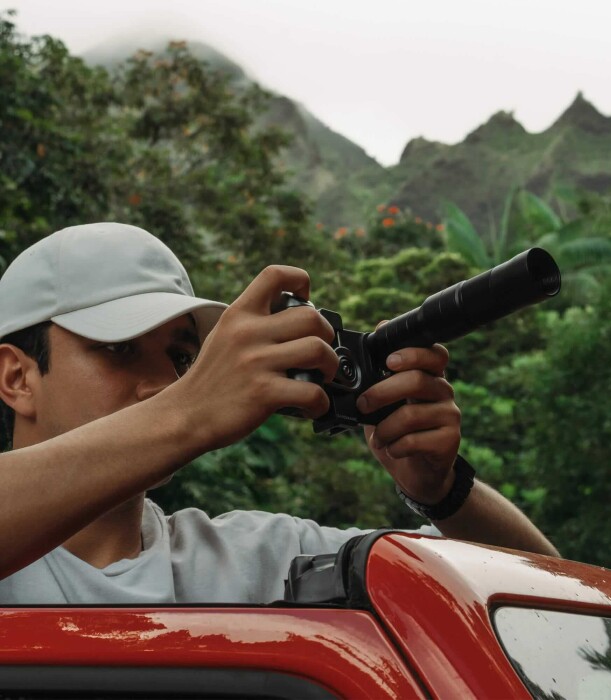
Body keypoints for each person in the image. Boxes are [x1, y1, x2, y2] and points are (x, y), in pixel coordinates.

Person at [0, 222, 558, 604]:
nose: (165, 383)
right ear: (16, 378)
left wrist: (444, 493)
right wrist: (191, 412)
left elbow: (551, 596)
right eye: (119, 349)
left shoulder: (263, 561)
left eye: (181, 357)